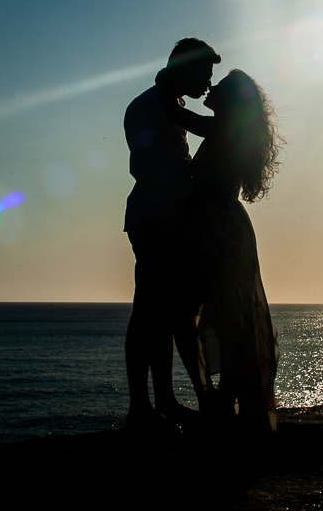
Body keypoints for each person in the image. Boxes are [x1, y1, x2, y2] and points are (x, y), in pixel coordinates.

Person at [158, 68, 283, 434]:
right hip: (223, 226)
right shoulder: (231, 132)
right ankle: (222, 399)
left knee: (213, 314)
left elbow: (182, 117)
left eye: (221, 87)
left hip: (217, 228)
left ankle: (221, 400)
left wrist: (165, 88)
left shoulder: (223, 130)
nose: (211, 87)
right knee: (224, 315)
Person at [122, 38, 220, 430]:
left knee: (164, 313)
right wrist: (192, 190)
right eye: (205, 74)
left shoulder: (173, 105)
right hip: (153, 220)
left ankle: (163, 401)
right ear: (187, 69)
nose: (208, 84)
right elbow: (144, 168)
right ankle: (141, 408)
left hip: (173, 222)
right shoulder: (146, 107)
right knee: (148, 311)